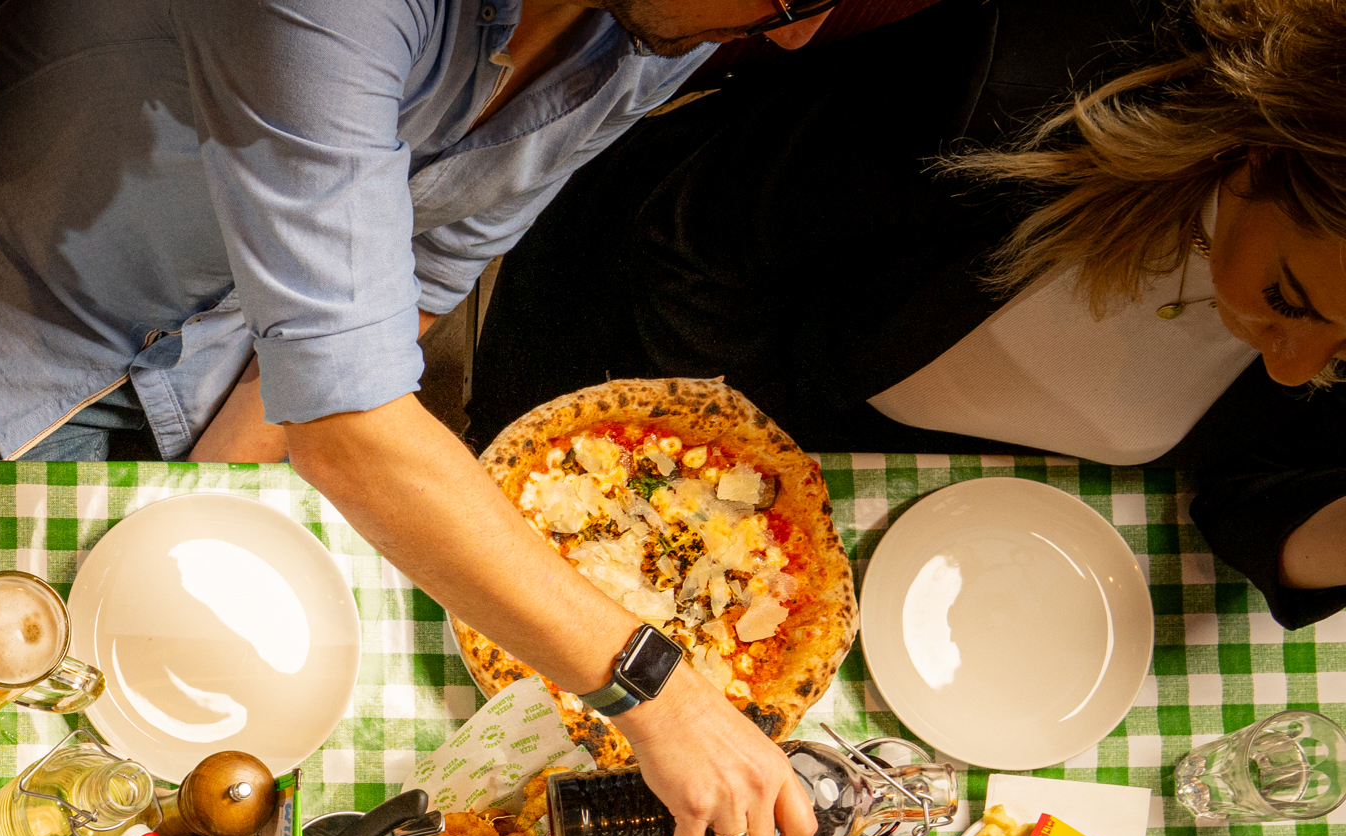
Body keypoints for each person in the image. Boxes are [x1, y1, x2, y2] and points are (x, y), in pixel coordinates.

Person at [0, 0, 842, 836]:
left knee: (166, 761)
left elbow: (436, 254)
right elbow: (348, 425)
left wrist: (201, 508)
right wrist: (656, 689)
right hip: (28, 320)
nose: (794, 35)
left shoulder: (668, 21)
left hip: (249, 369)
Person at [470, 0, 1346, 628]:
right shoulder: (1033, 82)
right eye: (1285, 301)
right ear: (1261, 154)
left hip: (909, 545)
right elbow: (694, 237)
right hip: (643, 339)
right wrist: (712, 518)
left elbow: (1258, 487)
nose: (1294, 370)